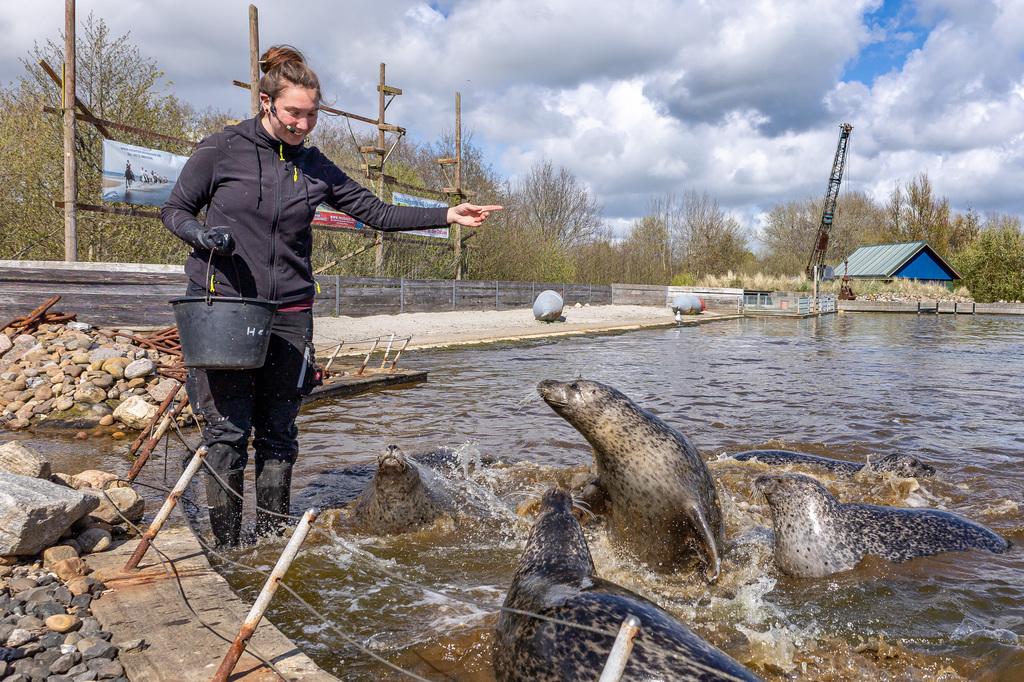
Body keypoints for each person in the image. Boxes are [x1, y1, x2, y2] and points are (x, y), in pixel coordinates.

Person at [161, 45, 501, 547]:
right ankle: (231, 549)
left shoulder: (316, 166)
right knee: (228, 435)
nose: (302, 124)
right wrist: (200, 235)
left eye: (312, 115)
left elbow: (378, 213)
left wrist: (446, 215)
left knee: (279, 435)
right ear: (266, 102)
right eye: (293, 112)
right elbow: (174, 210)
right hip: (225, 308)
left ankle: (271, 543)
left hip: (290, 314)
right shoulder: (221, 149)